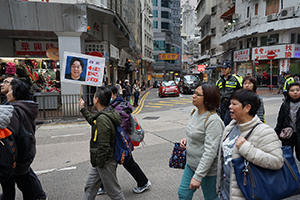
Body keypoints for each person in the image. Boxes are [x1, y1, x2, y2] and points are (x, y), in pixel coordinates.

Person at [216, 89, 283, 199]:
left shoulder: (264, 131)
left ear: (247, 108)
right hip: (227, 191)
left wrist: (247, 149)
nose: (230, 107)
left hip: (247, 193)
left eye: (234, 104)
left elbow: (277, 161)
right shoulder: (230, 127)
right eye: (230, 103)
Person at [96, 85, 150, 195]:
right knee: (108, 165)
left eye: (108, 94)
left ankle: (143, 182)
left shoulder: (119, 108)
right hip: (118, 143)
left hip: (121, 143)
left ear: (115, 95)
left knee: (126, 164)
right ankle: (104, 186)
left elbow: (121, 127)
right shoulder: (113, 106)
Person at [0, 77, 47, 200]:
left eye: (10, 90)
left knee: (19, 187)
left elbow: (10, 135)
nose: (8, 93)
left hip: (16, 157)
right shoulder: (26, 106)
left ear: (16, 93)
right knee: (25, 185)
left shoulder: (14, 110)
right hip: (24, 154)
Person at [178, 82, 224, 200]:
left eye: (197, 94)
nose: (193, 96)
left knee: (211, 198)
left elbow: (210, 152)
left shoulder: (213, 120)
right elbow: (196, 133)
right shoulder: (194, 112)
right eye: (194, 93)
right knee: (183, 193)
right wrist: (187, 139)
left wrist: (198, 176)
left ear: (207, 99)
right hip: (191, 164)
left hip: (208, 170)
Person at [78, 87, 125, 200]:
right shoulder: (105, 113)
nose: (93, 98)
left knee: (114, 192)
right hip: (100, 161)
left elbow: (104, 145)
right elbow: (93, 122)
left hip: (104, 161)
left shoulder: (103, 118)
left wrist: (99, 162)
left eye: (94, 96)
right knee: (89, 188)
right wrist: (83, 108)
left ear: (97, 100)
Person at [275, 82, 300, 161]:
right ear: (288, 93)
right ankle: (290, 172)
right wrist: (277, 132)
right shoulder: (285, 104)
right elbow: (280, 119)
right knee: (287, 156)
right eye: (292, 90)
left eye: (297, 90)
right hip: (288, 134)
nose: (295, 92)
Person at [216, 61, 243, 126]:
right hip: (222, 105)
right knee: (223, 121)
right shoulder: (219, 80)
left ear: (230, 69)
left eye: (225, 68)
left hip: (231, 104)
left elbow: (241, 91)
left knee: (227, 121)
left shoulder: (235, 79)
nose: (223, 70)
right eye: (222, 69)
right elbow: (216, 92)